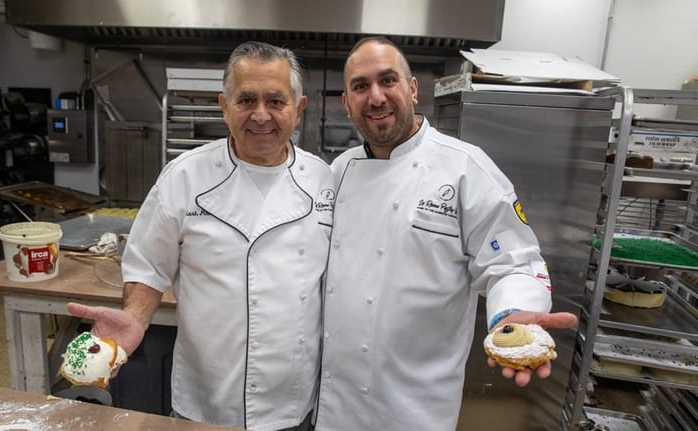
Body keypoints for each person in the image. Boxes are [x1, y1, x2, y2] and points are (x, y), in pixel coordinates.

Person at [313, 37, 578, 431]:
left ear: (413, 89)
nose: (376, 97)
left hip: (416, 406)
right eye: (360, 87)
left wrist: (513, 314)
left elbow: (514, 263)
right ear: (347, 103)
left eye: (388, 80)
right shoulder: (339, 170)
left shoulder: (465, 169)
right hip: (336, 405)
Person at [68, 41, 334, 431]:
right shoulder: (184, 176)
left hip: (291, 403)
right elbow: (148, 264)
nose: (261, 115)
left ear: (299, 109)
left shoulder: (325, 181)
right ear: (224, 107)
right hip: (204, 399)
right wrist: (135, 319)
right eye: (246, 100)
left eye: (276, 101)